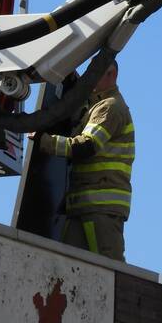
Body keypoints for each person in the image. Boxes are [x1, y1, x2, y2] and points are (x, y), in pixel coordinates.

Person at [32, 60, 135, 262]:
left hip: (101, 208)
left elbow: (86, 146)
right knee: (69, 268)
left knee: (108, 270)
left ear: (111, 75)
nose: (91, 78)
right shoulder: (95, 106)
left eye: (96, 73)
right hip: (81, 205)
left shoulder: (110, 107)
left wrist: (44, 141)